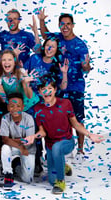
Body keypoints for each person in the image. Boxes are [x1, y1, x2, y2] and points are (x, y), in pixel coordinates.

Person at [23, 75, 104, 194]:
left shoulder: (65, 103)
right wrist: (33, 136)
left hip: (67, 142)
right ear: (40, 92)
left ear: (55, 90)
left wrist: (89, 134)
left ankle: (61, 181)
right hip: (50, 146)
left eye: (50, 88)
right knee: (51, 180)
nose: (47, 91)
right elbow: (42, 132)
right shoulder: (38, 109)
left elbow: (75, 124)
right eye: (43, 89)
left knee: (57, 149)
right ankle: (63, 166)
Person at [38, 9, 91, 163]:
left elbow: (86, 68)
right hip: (58, 86)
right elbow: (45, 36)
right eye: (62, 24)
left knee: (77, 118)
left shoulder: (80, 45)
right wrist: (41, 21)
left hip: (75, 87)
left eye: (68, 24)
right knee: (58, 117)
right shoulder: (58, 38)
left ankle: (80, 150)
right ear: (59, 25)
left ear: (73, 25)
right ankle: (56, 147)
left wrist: (86, 65)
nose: (65, 27)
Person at [24, 37, 69, 175]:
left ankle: (57, 160)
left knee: (51, 133)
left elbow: (62, 87)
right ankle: (37, 162)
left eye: (53, 47)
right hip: (32, 103)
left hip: (49, 104)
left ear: (56, 50)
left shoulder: (57, 66)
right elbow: (23, 73)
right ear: (43, 46)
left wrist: (64, 73)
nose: (49, 49)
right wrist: (25, 77)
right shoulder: (34, 58)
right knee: (35, 131)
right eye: (47, 45)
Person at [0, 93, 36, 189]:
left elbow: (28, 141)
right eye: (12, 106)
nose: (15, 109)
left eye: (18, 106)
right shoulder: (5, 118)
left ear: (23, 107)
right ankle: (8, 174)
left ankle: (16, 165)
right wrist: (20, 144)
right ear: (8, 107)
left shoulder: (29, 118)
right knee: (5, 148)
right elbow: (5, 139)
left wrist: (12, 140)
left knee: (27, 179)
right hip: (16, 147)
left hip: (27, 149)